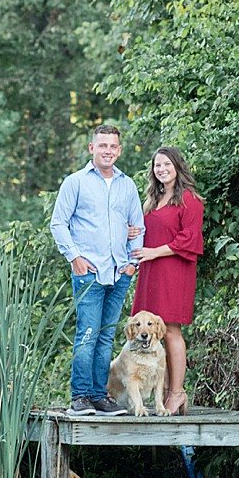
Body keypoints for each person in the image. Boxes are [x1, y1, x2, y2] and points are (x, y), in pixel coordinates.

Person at [50, 124, 144, 416]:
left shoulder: (126, 185)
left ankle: (98, 396)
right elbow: (58, 224)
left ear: (119, 150)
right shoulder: (75, 182)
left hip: (119, 272)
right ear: (92, 148)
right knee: (88, 334)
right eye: (102, 145)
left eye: (113, 146)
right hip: (88, 271)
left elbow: (137, 225)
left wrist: (132, 264)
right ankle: (80, 397)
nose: (108, 151)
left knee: (105, 337)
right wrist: (74, 257)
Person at [128, 147, 204, 413]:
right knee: (152, 331)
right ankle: (160, 393)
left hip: (174, 268)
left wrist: (153, 252)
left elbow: (189, 239)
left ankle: (177, 393)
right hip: (151, 269)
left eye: (166, 164)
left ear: (177, 166)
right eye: (157, 165)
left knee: (170, 330)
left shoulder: (189, 199)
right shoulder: (153, 199)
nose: (161, 169)